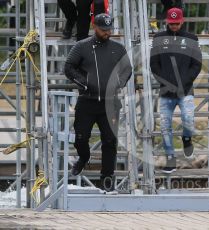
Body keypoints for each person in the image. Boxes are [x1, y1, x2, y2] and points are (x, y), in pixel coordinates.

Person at [64, 14, 132, 191]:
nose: (107, 33)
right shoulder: (82, 46)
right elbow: (68, 67)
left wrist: (120, 83)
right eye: (103, 30)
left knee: (110, 142)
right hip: (87, 102)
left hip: (110, 104)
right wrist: (84, 82)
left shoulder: (118, 48)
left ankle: (107, 179)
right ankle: (84, 157)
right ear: (95, 27)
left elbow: (127, 69)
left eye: (109, 30)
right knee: (80, 138)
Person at [150, 8, 202, 173]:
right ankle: (170, 159)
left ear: (182, 21)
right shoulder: (158, 38)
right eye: (171, 24)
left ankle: (187, 139)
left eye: (177, 23)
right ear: (167, 21)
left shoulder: (192, 39)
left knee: (188, 118)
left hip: (185, 90)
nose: (173, 26)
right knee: (165, 127)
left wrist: (185, 82)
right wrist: (164, 82)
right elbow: (154, 64)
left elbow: (197, 64)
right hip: (166, 92)